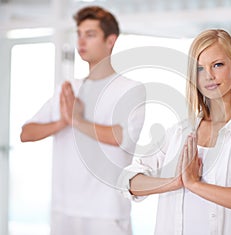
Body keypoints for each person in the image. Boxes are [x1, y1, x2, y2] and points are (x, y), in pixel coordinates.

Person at [118, 29, 231, 235]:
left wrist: (194, 184)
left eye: (217, 65)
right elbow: (129, 181)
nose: (209, 76)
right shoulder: (177, 133)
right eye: (200, 68)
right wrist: (175, 182)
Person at [20, 6, 145, 235]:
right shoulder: (68, 89)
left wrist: (77, 120)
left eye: (90, 34)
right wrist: (63, 122)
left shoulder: (130, 89)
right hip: (64, 209)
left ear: (110, 40)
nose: (81, 41)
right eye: (79, 33)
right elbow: (26, 133)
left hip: (107, 212)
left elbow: (121, 137)